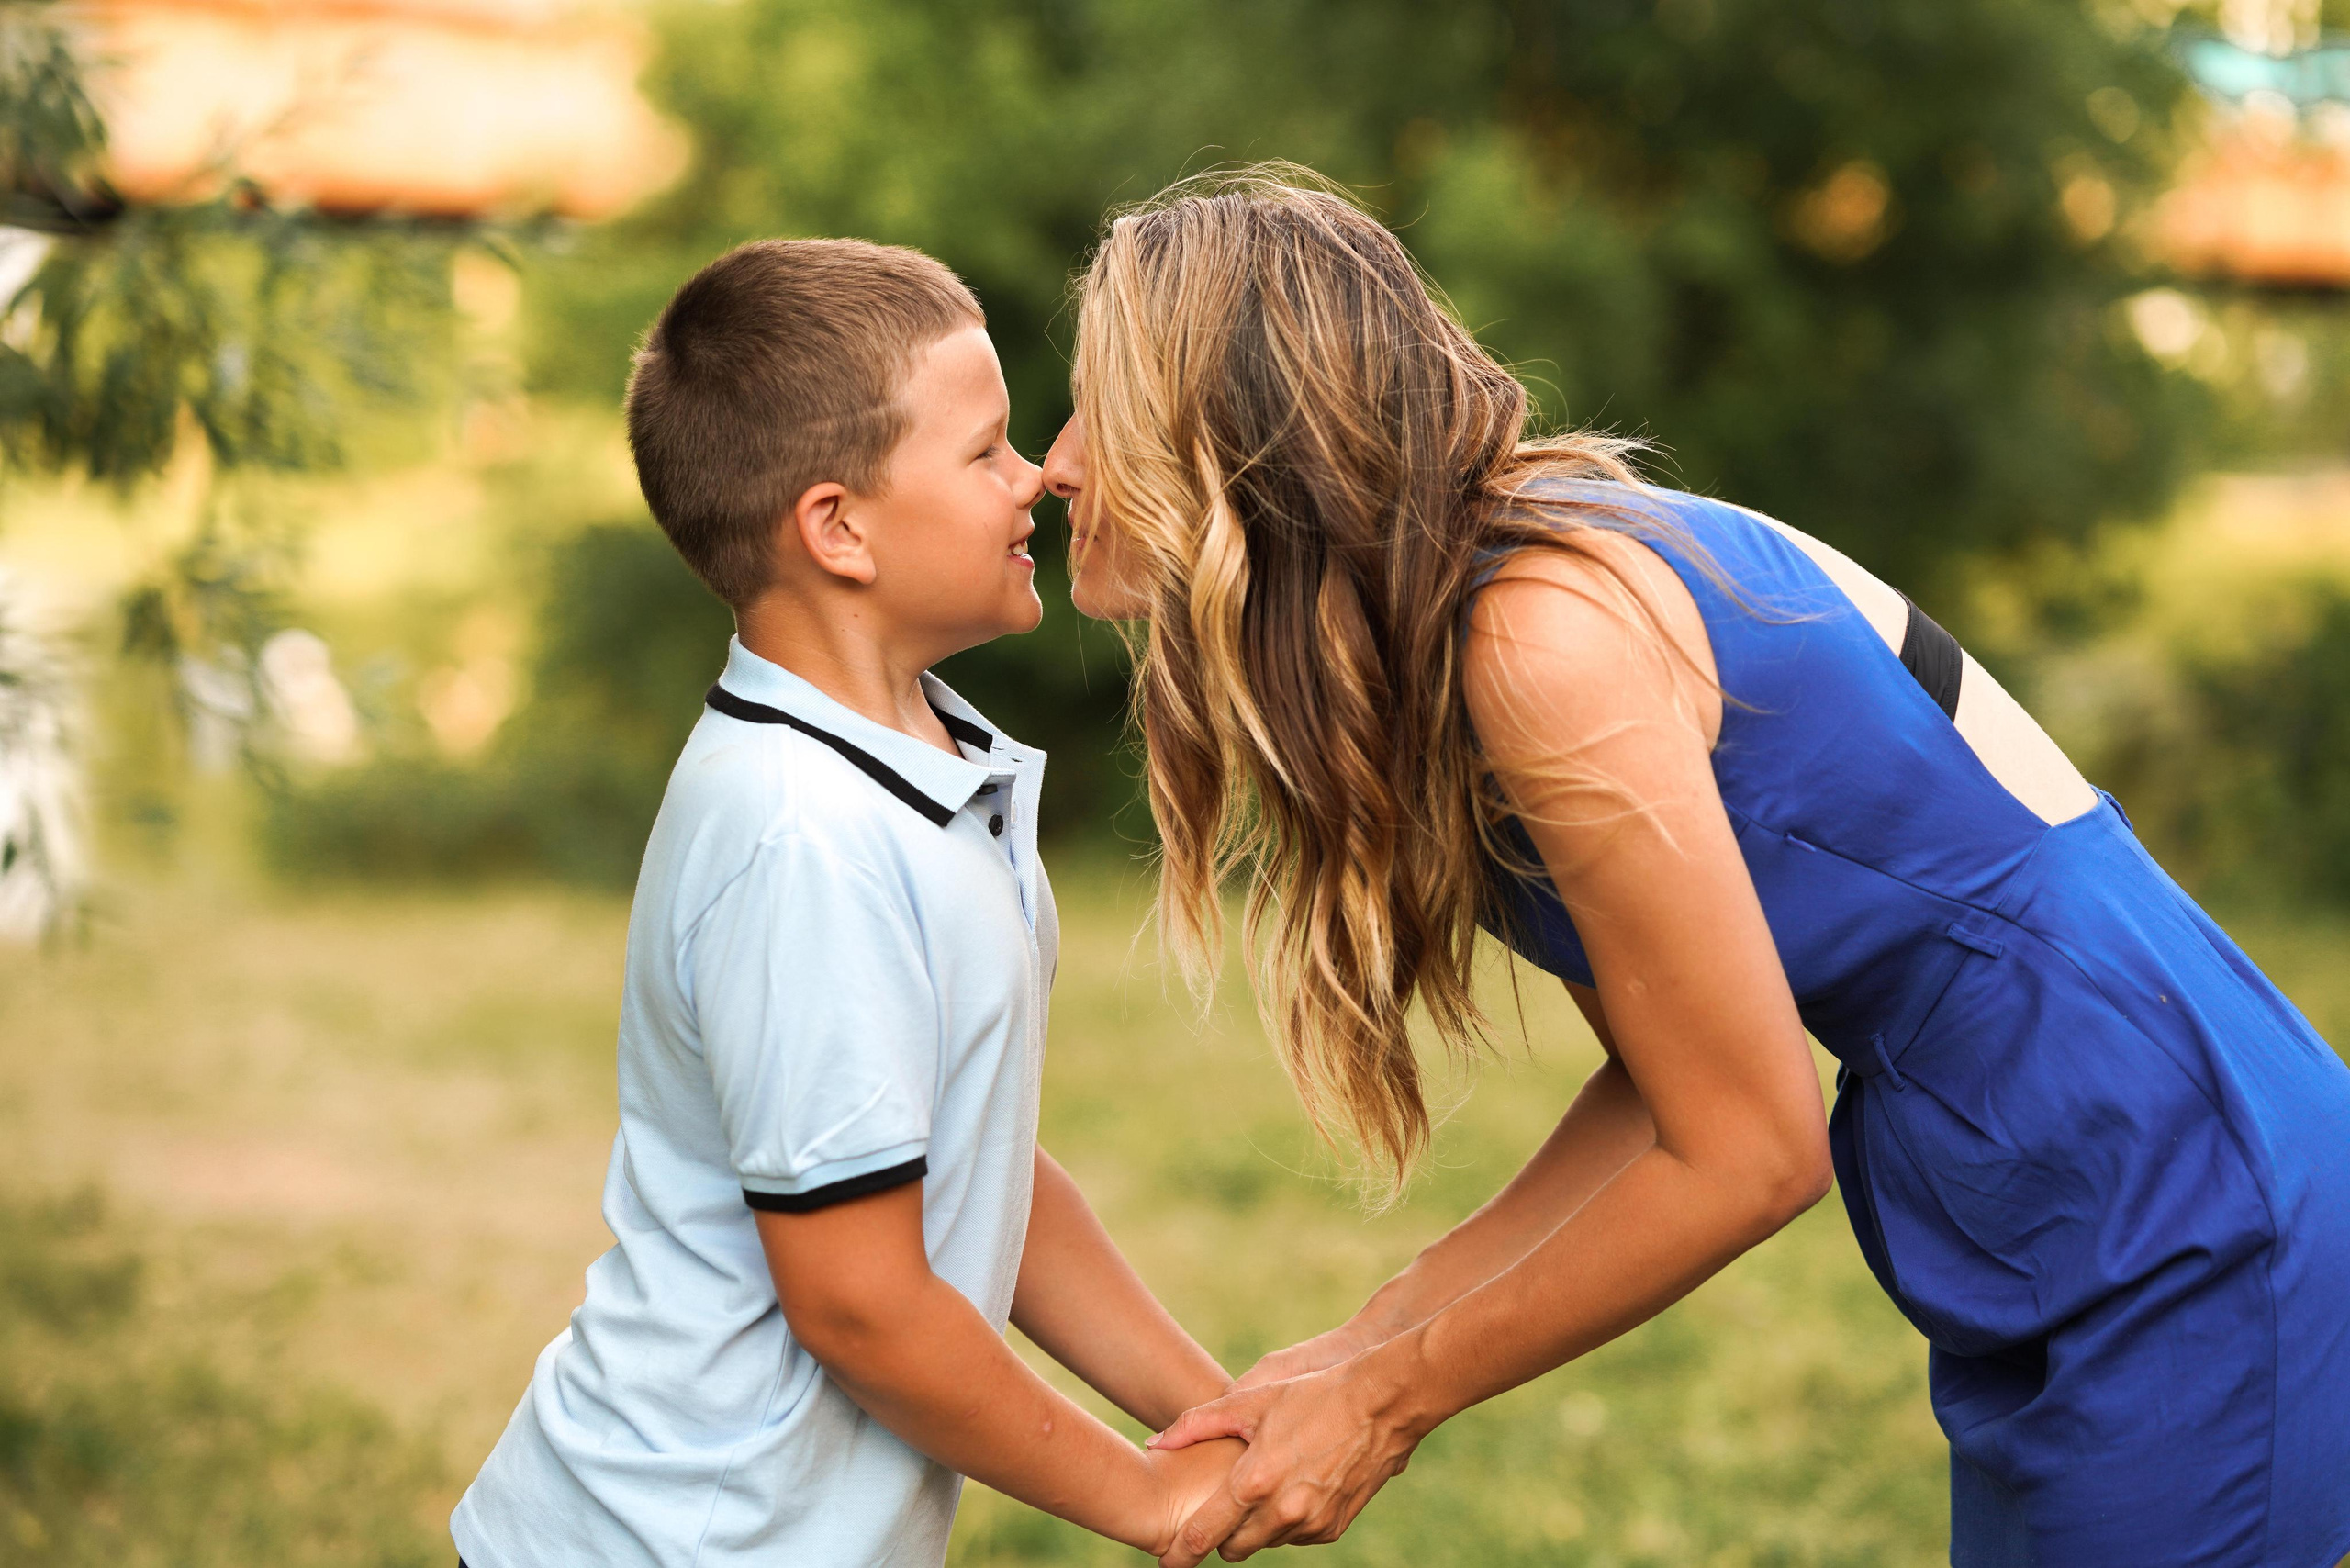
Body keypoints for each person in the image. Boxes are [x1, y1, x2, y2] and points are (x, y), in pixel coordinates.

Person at [1040, 167, 2350, 1568]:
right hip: (2057, 1199)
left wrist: (1387, 1399)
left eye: (1096, 410)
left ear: (1241, 442)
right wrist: (1364, 1340)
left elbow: (1748, 1153)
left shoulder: (1541, 638)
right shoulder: (1464, 615)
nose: (1056, 463)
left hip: (2177, 1195)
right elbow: (1663, 1086)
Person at [451, 238, 1239, 1568]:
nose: (1035, 476)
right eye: (984, 451)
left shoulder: (923, 768)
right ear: (839, 529)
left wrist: (1212, 1416)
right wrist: (1148, 1500)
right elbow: (862, 1308)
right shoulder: (801, 835)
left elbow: (979, 1169)